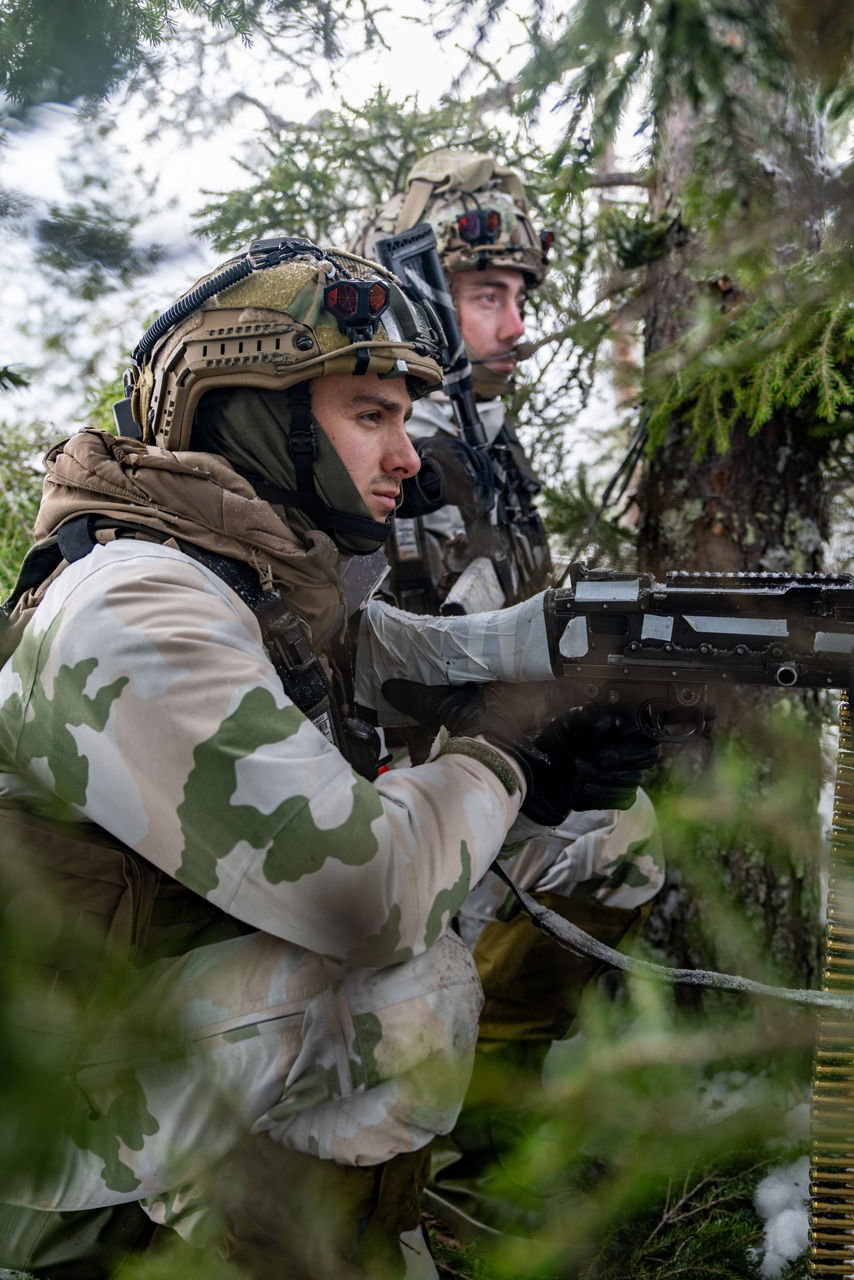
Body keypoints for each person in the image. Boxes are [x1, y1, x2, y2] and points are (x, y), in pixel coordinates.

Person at [0, 237, 659, 1278]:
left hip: (129, 1023)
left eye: (403, 419)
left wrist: (586, 657)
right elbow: (369, 888)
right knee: (401, 988)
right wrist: (510, 755)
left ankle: (368, 1220)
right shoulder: (137, 604)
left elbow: (412, 657)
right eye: (369, 417)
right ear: (249, 415)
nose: (404, 455)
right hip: (33, 1119)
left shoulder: (248, 578)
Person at [353, 152, 665, 1231]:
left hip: (470, 776)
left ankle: (486, 1142)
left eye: (522, 295)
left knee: (617, 835)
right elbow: (372, 659)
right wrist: (525, 757)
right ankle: (427, 1170)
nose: (514, 321)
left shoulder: (482, 447)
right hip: (375, 803)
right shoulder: (382, 447)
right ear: (423, 286)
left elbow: (502, 628)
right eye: (487, 292)